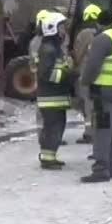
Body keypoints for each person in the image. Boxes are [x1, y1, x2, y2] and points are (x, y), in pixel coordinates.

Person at [80, 1, 112, 183]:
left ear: (98, 23)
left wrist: (84, 82)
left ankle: (100, 169)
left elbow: (92, 66)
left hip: (102, 91)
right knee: (111, 130)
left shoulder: (102, 40)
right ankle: (111, 167)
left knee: (102, 130)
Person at [35, 11, 72, 170]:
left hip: (56, 97)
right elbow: (47, 74)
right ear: (52, 29)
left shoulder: (54, 48)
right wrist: (67, 71)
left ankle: (50, 156)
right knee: (52, 127)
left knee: (57, 126)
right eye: (61, 27)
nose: (64, 31)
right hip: (50, 98)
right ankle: (47, 159)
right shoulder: (48, 49)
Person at [72, 4, 103, 143]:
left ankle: (89, 133)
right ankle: (98, 131)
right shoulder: (103, 33)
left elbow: (78, 55)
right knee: (95, 104)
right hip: (99, 74)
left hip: (85, 74)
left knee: (87, 104)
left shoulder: (84, 34)